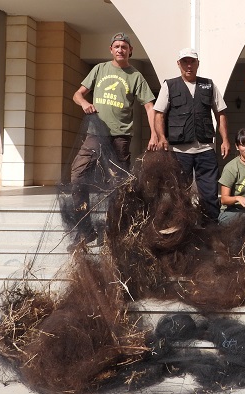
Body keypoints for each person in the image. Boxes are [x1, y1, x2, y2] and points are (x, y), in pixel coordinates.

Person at [70, 32, 156, 244]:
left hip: (120, 136)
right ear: (111, 50)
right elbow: (77, 94)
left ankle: (112, 230)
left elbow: (149, 105)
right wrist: (84, 103)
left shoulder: (135, 76)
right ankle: (86, 230)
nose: (120, 49)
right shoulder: (99, 69)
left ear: (130, 51)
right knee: (78, 176)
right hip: (95, 133)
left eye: (124, 47)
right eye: (116, 46)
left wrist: (155, 134)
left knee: (118, 185)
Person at [150, 48, 230, 223]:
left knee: (209, 194)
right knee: (179, 194)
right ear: (178, 64)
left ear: (197, 64)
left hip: (206, 150)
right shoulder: (169, 85)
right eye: (185, 61)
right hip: (179, 151)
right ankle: (181, 230)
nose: (189, 65)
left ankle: (211, 232)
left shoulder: (208, 85)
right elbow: (159, 114)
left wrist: (225, 140)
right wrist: (162, 137)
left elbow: (221, 113)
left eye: (192, 61)